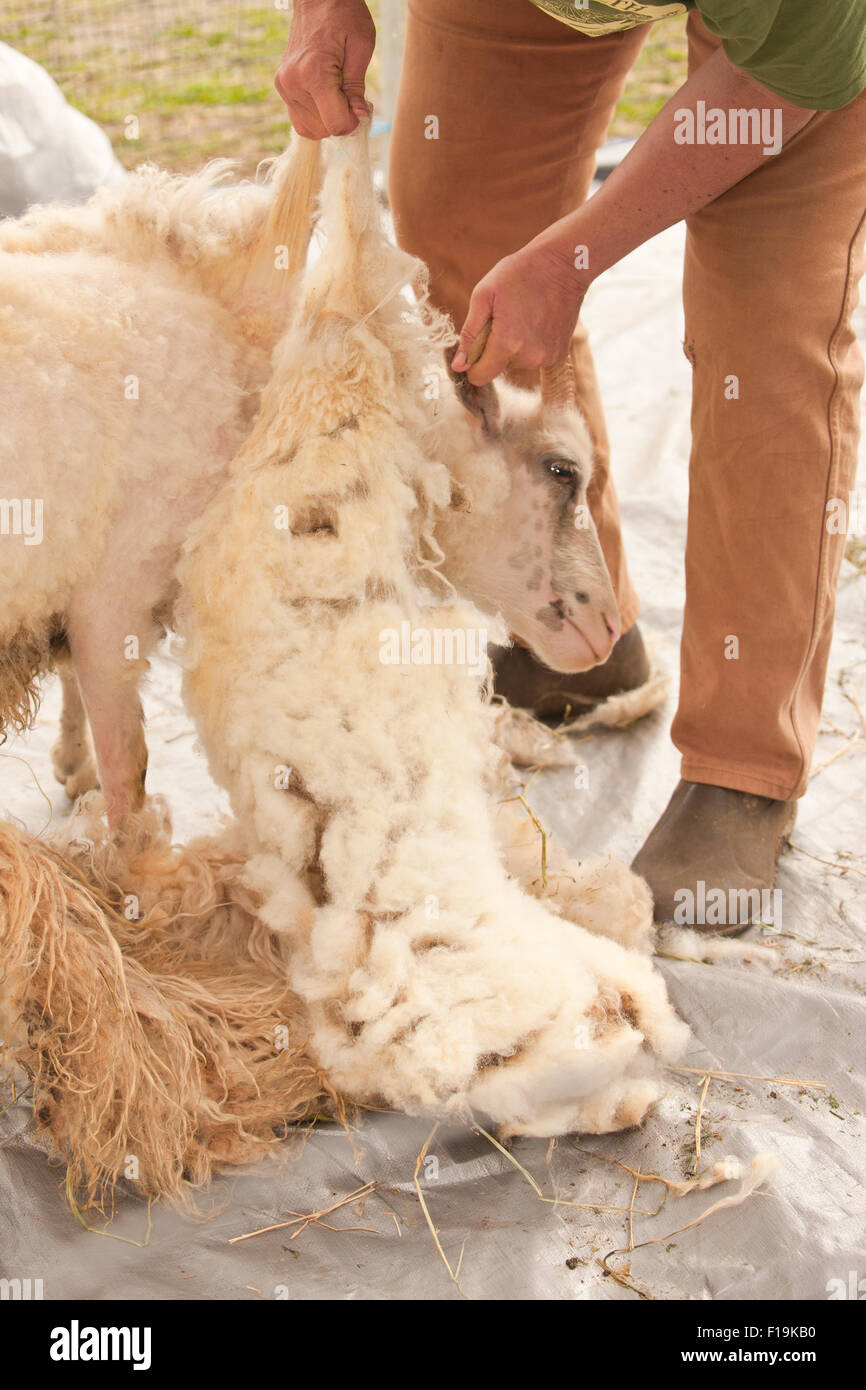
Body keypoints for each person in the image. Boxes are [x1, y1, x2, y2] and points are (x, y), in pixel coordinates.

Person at [275, 0, 866, 931]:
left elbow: (794, 67)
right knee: (464, 239)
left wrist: (577, 255)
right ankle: (582, 636)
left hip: (793, 38)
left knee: (763, 338)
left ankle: (742, 764)